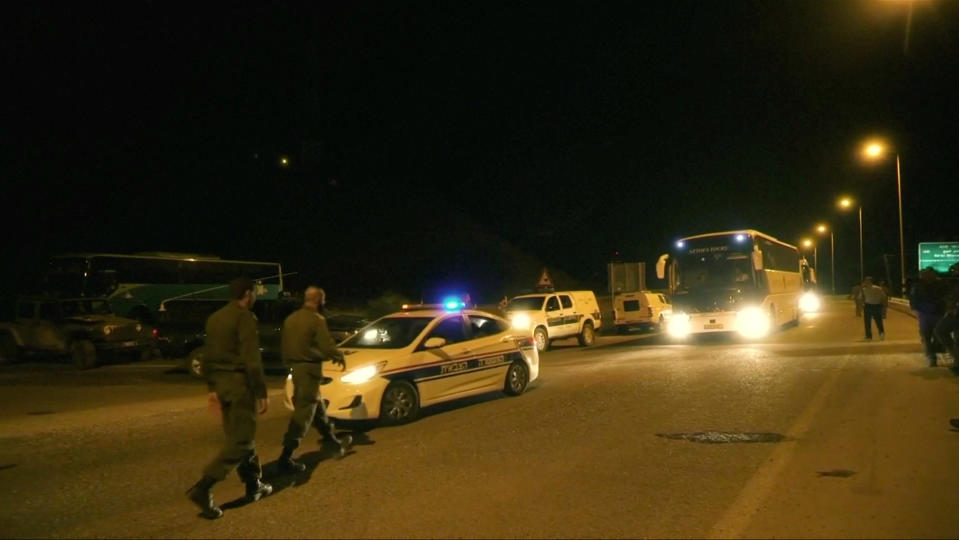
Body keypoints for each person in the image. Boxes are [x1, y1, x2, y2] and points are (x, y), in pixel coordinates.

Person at [187, 277, 272, 519]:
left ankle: (253, 482)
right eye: (254, 293)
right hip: (240, 386)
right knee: (241, 441)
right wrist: (261, 391)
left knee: (241, 436)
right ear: (247, 294)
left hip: (222, 387)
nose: (255, 297)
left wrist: (212, 388)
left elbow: (208, 357)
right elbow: (251, 359)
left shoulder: (215, 318)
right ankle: (203, 488)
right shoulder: (244, 317)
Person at [277, 286, 352, 473]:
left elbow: (285, 347)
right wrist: (338, 356)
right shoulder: (316, 319)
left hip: (296, 370)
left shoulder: (291, 319)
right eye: (323, 301)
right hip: (309, 371)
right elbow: (327, 346)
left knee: (317, 408)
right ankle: (286, 456)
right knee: (304, 413)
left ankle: (331, 441)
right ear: (319, 301)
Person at [910, 267, 946, 367]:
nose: (927, 276)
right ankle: (931, 357)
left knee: (938, 335)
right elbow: (913, 299)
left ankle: (933, 352)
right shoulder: (917, 286)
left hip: (938, 313)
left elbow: (946, 298)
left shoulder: (941, 285)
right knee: (926, 336)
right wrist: (916, 309)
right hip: (925, 314)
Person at [858, 276, 887, 341]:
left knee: (867, 322)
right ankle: (881, 333)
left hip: (868, 306)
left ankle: (869, 336)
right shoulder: (879, 288)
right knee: (878, 321)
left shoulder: (864, 289)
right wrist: (883, 307)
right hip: (877, 306)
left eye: (866, 281)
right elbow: (884, 297)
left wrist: (861, 307)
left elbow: (859, 298)